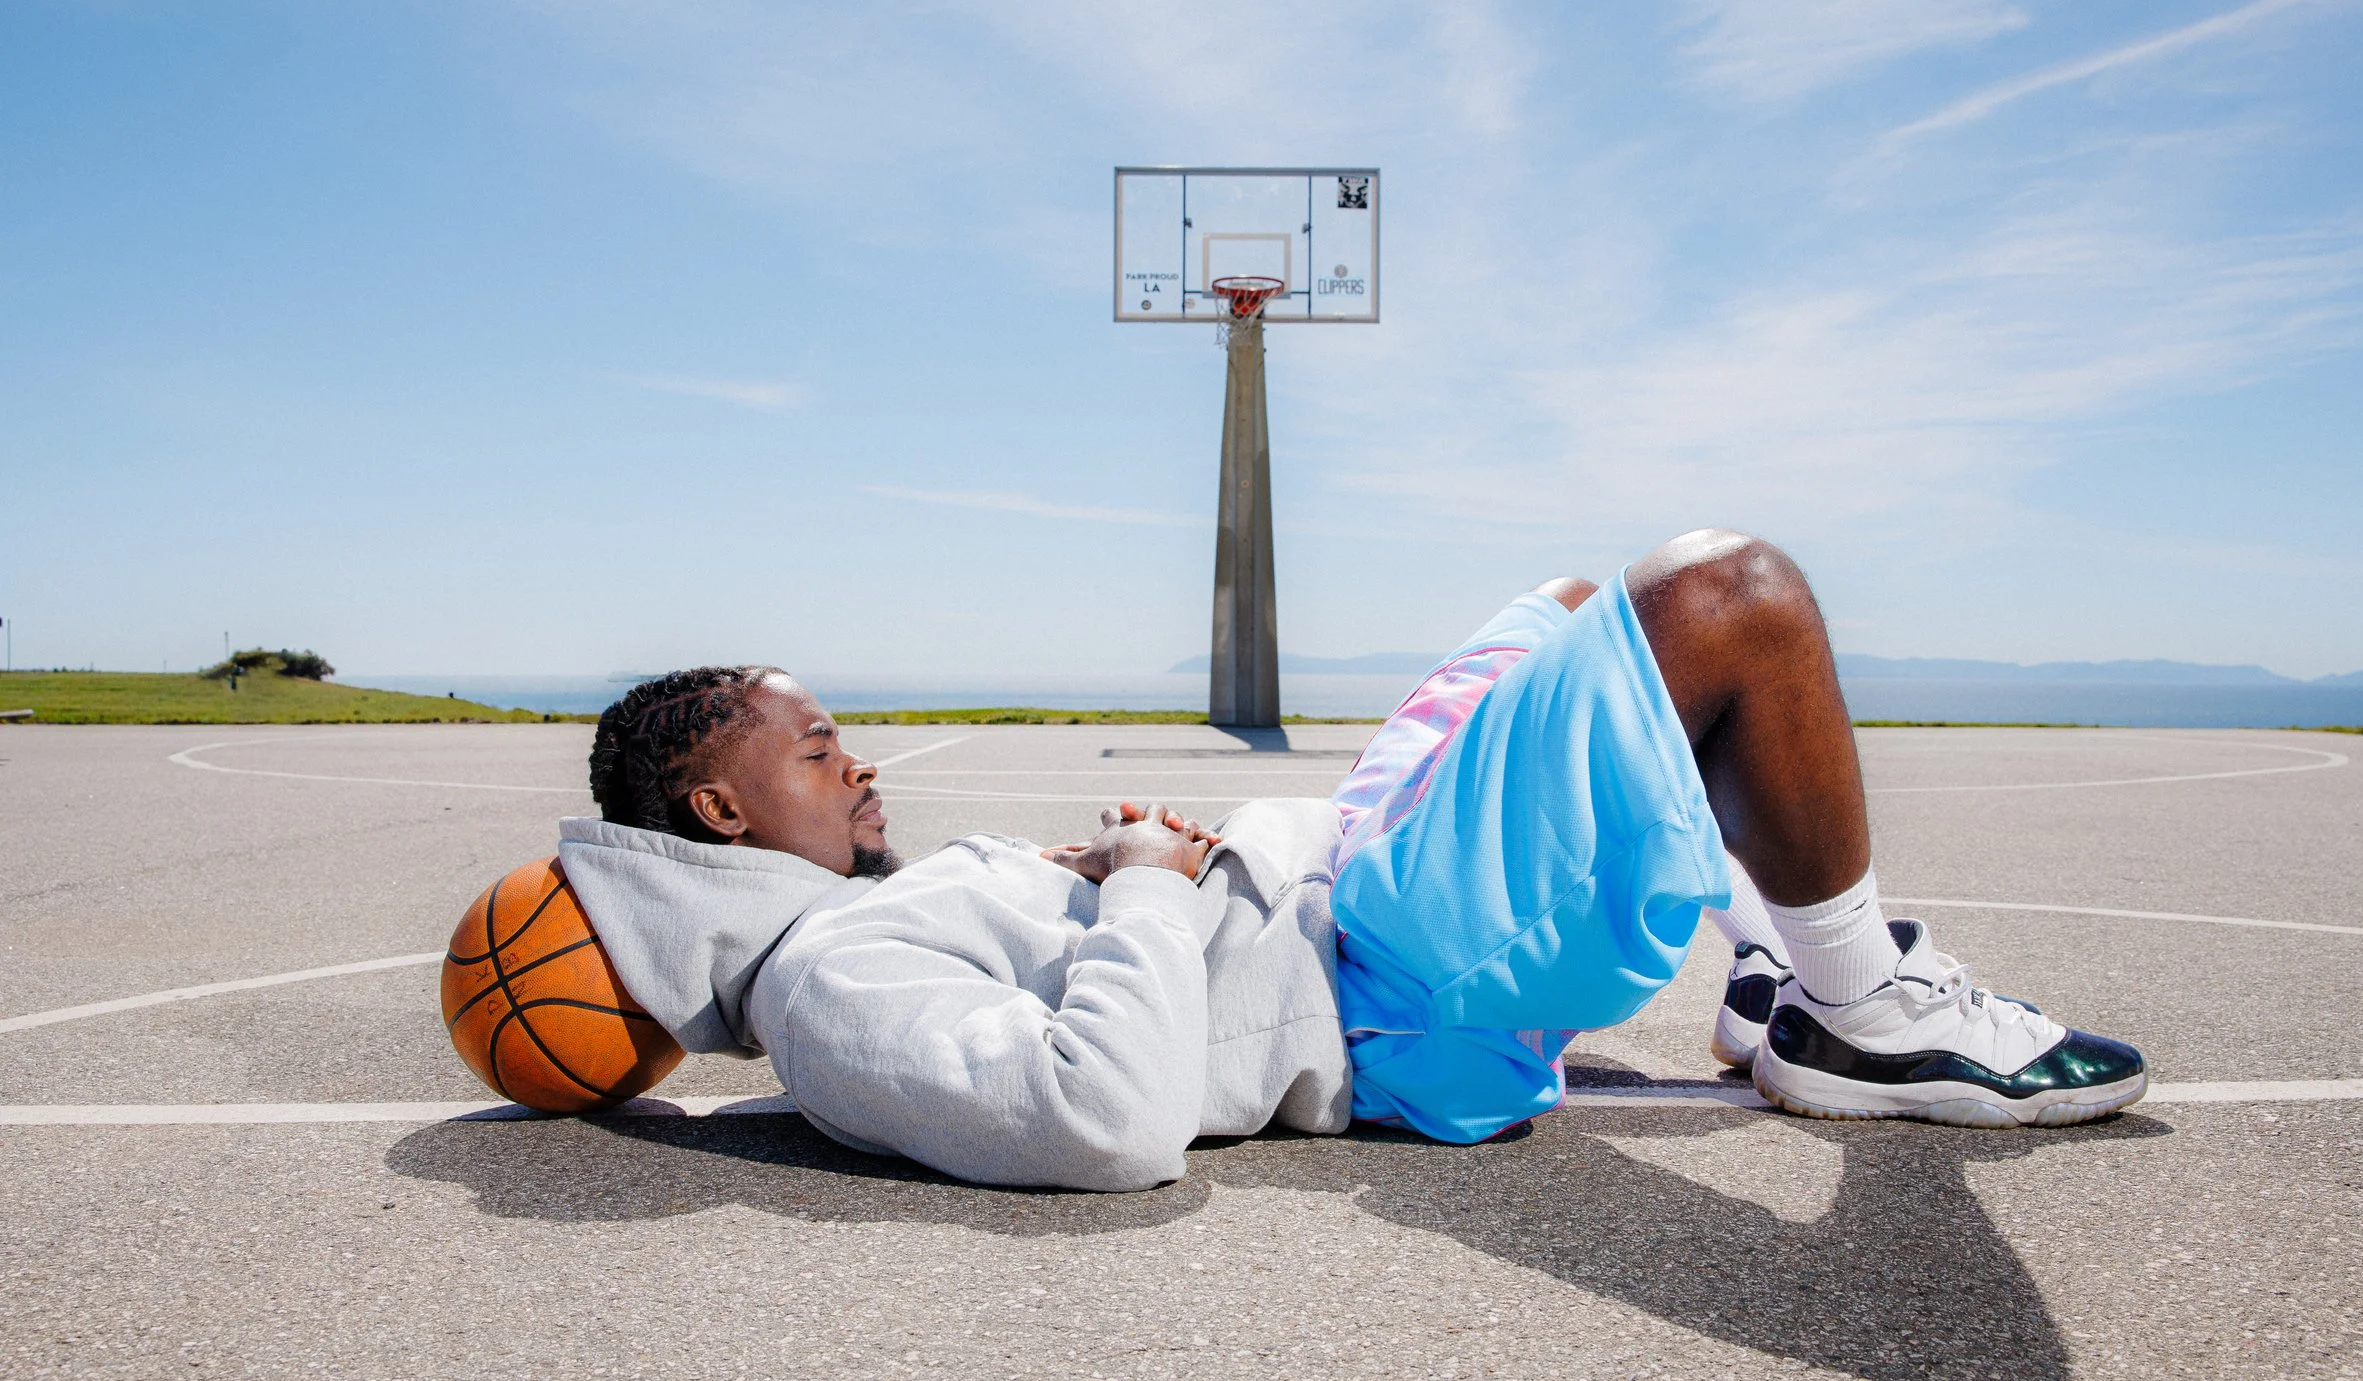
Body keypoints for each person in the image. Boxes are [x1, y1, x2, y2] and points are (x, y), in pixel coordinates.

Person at [557, 530, 2145, 1191]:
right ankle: (1861, 1009)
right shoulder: (831, 987)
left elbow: (1051, 979)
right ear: (720, 815)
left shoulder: (860, 929)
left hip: (1345, 877)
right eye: (818, 748)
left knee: (1571, 605)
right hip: (1387, 974)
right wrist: (1145, 881)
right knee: (1732, 599)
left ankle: (1770, 977)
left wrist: (1089, 886)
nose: (859, 762)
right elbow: (1100, 1119)